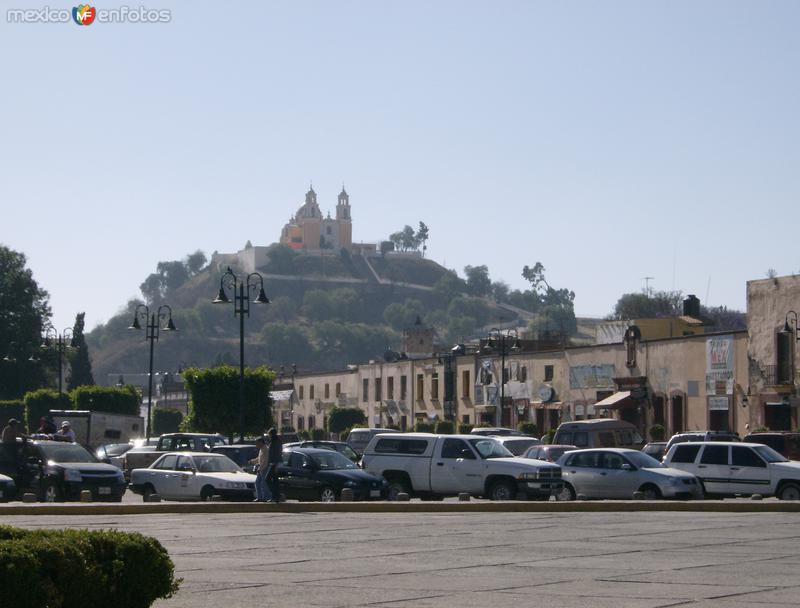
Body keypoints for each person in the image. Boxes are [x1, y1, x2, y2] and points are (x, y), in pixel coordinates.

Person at [250, 436, 272, 502]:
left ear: (261, 442)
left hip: (265, 468)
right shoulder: (261, 449)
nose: (256, 445)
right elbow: (259, 459)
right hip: (260, 468)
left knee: (263, 484)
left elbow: (266, 461)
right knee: (257, 483)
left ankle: (266, 497)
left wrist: (261, 468)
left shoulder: (266, 449)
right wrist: (252, 461)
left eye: (257, 443)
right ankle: (260, 497)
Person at [266, 428, 282, 503]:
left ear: (271, 434)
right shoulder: (275, 441)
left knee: (267, 479)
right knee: (275, 480)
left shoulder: (275, 442)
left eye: (269, 434)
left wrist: (275, 465)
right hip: (273, 463)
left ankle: (276, 495)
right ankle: (275, 497)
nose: (269, 435)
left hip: (274, 463)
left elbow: (277, 453)